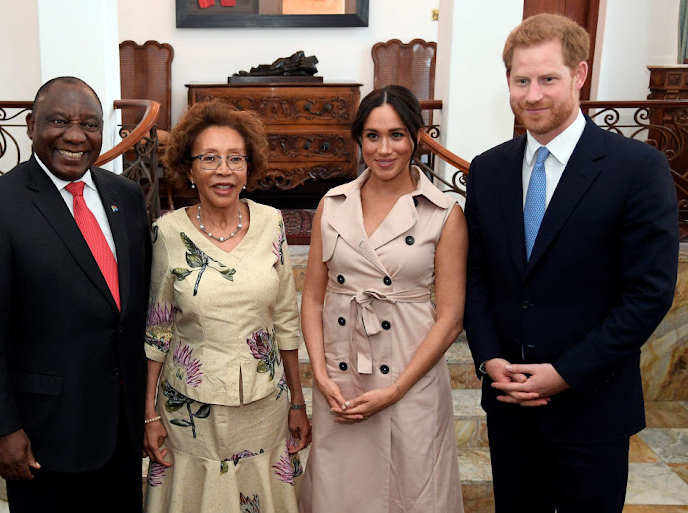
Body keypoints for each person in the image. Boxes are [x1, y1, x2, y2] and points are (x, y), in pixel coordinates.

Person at [464, 14, 679, 513]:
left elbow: (649, 293)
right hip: (508, 403)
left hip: (592, 406)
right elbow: (476, 276)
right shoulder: (489, 169)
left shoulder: (637, 168)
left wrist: (565, 371)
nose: (532, 95)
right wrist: (488, 358)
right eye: (521, 81)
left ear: (579, 75)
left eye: (547, 79)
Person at [0, 76, 151, 512]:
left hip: (121, 427)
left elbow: (131, 311)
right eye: (58, 121)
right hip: (44, 435)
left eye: (90, 125)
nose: (75, 136)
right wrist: (0, 428)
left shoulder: (127, 196)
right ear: (30, 125)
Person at [298, 85, 467, 513]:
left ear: (416, 137)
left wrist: (396, 390)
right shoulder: (332, 205)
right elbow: (313, 298)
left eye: (396, 135)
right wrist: (319, 374)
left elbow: (450, 317)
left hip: (410, 375)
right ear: (359, 140)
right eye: (372, 136)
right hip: (342, 374)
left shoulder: (443, 211)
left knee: (412, 490)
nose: (384, 148)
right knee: (341, 491)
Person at [142, 99, 311, 513]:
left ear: (248, 168)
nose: (224, 170)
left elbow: (286, 317)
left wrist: (297, 401)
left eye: (236, 158)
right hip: (191, 409)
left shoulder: (272, 222)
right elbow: (158, 329)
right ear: (189, 168)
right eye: (210, 158)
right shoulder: (167, 232)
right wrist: (149, 413)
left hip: (264, 404)